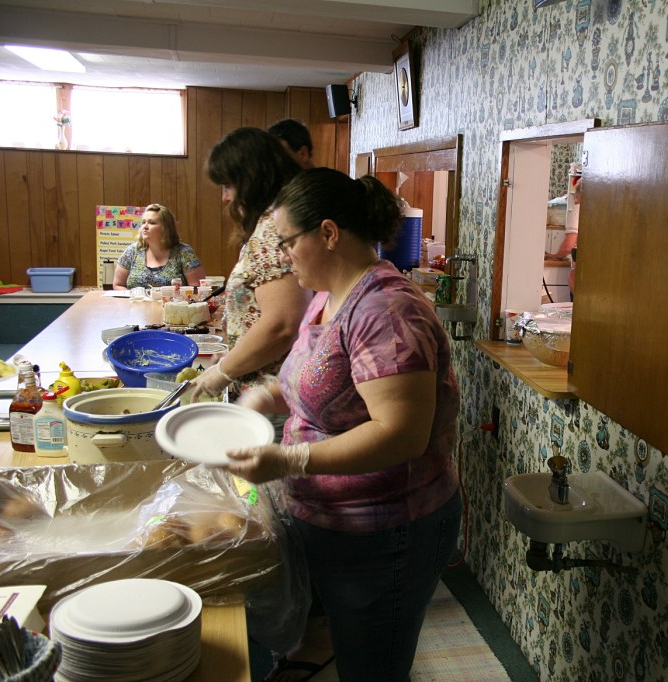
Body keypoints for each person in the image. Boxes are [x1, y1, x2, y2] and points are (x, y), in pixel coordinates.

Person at [222, 167, 462, 682]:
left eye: (288, 241)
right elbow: (312, 380)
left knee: (373, 667)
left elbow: (400, 433)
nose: (283, 254)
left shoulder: (387, 312)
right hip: (334, 520)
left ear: (329, 233)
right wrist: (259, 400)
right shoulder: (328, 298)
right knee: (350, 648)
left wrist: (290, 459)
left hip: (388, 530)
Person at [189, 127, 312, 402]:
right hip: (264, 392)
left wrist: (224, 370)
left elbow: (282, 323)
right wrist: (235, 355)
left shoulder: (272, 230)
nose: (225, 197)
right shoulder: (272, 224)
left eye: (228, 185)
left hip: (271, 397)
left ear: (252, 180)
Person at [112, 203, 205, 289]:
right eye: (143, 222)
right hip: (136, 305)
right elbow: (118, 285)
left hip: (171, 305)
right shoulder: (132, 251)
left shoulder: (184, 253)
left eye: (151, 222)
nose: (145, 226)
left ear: (166, 228)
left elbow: (197, 289)